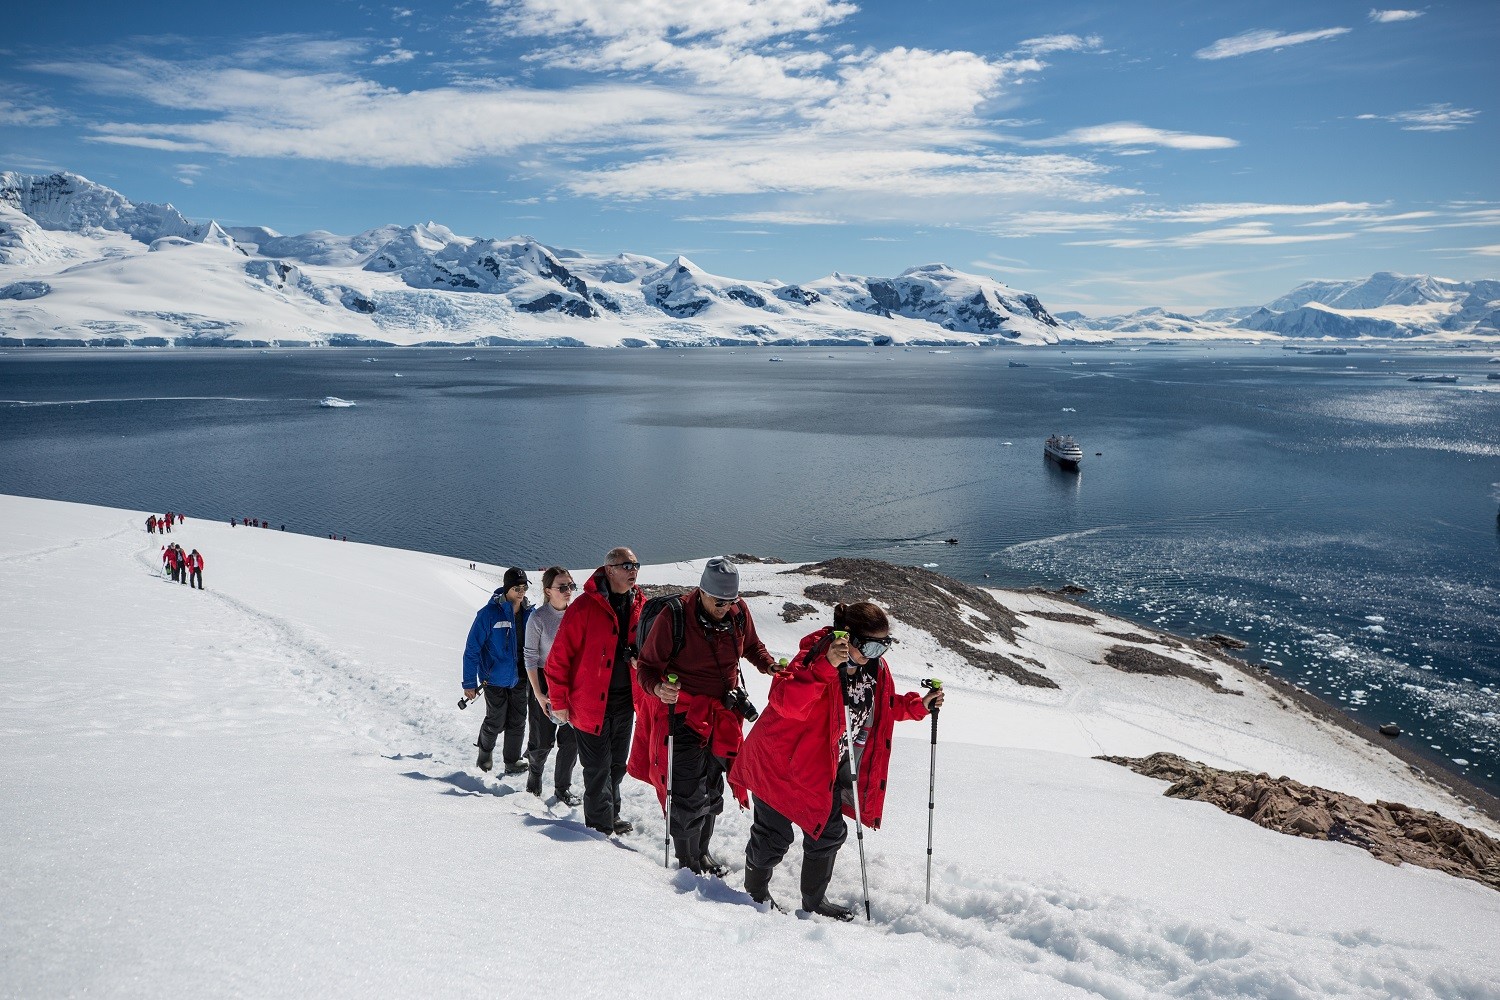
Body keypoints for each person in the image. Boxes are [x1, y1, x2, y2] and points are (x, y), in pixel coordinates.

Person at [729, 601, 944, 919]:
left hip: (820, 769)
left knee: (828, 833)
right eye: (869, 646)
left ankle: (813, 903)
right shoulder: (815, 656)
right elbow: (784, 700)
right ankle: (755, 893)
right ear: (849, 639)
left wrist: (919, 705)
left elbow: (882, 706)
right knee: (773, 838)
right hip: (777, 763)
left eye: (883, 647)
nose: (875, 655)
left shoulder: (875, 669)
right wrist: (826, 667)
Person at [632, 556, 781, 875]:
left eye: (730, 600)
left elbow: (752, 646)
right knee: (686, 793)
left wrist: (768, 664)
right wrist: (658, 689)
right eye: (718, 601)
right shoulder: (675, 617)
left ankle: (702, 852)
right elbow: (646, 666)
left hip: (723, 717)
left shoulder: (739, 612)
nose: (724, 607)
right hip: (682, 716)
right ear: (701, 591)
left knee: (713, 788)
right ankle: (688, 864)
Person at [545, 547, 644, 836]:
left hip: (625, 701)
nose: (633, 570)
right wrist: (559, 703)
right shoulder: (585, 607)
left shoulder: (640, 604)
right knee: (597, 768)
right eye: (626, 565)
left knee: (616, 765)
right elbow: (558, 659)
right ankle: (599, 828)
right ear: (610, 569)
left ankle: (610, 815)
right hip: (589, 705)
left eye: (636, 565)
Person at [462, 568, 533, 775]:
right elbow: (472, 649)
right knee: (496, 719)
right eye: (516, 588)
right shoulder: (488, 614)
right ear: (506, 588)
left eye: (524, 587)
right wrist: (468, 683)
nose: (521, 592)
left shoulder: (530, 613)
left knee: (518, 721)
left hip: (520, 677)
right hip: (494, 678)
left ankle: (512, 761)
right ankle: (485, 751)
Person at [523, 566, 581, 804]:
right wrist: (538, 694)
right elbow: (530, 657)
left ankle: (562, 788)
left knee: (570, 741)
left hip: (572, 683)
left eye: (571, 586)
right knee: (542, 739)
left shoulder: (577, 615)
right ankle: (534, 777)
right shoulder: (538, 618)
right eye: (562, 587)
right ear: (548, 591)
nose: (568, 591)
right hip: (544, 680)